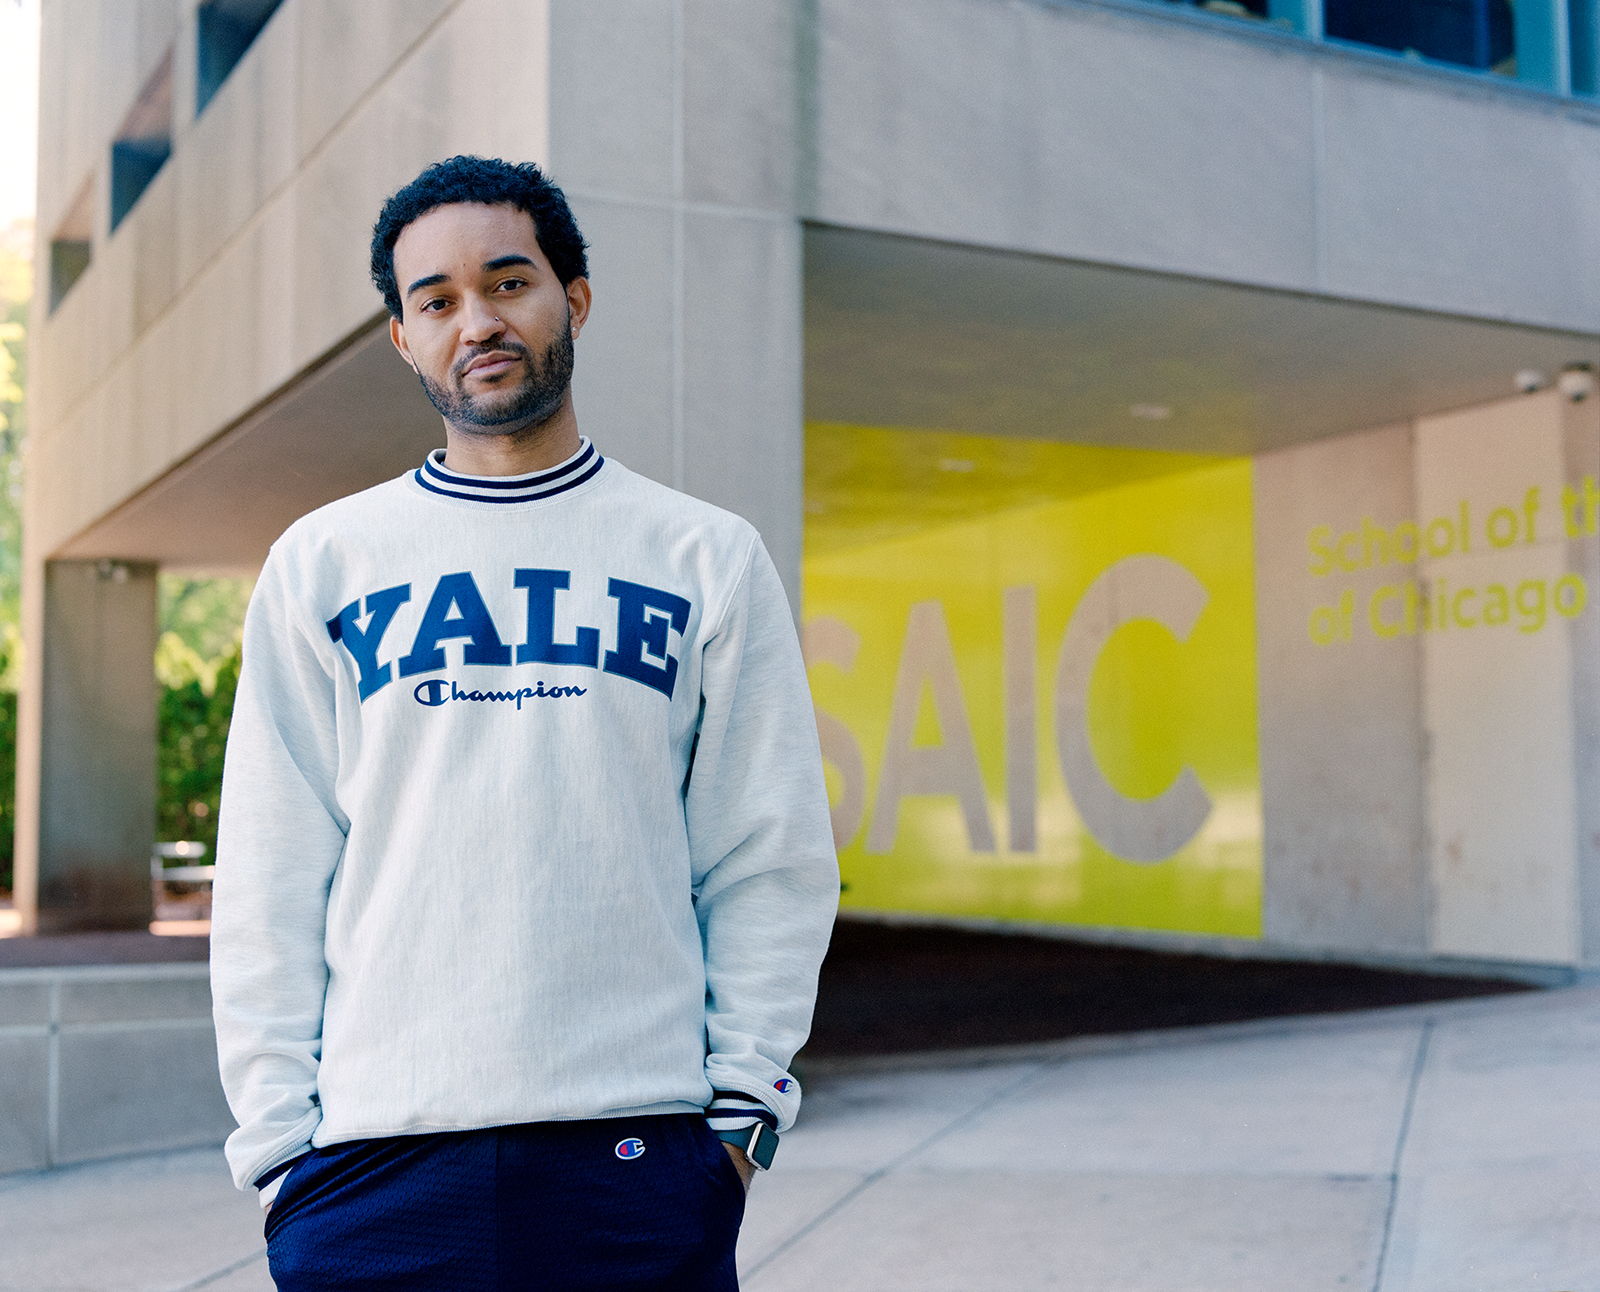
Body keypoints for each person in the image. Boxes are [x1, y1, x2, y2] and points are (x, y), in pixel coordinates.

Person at [210, 155, 839, 1291]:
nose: (477, 321)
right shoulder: (325, 561)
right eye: (436, 300)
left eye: (509, 283)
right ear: (403, 337)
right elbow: (268, 874)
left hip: (636, 1156)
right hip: (368, 1170)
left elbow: (769, 855)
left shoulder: (703, 555)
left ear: (575, 299)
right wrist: (277, 1159)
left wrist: (740, 1125)